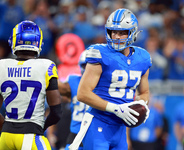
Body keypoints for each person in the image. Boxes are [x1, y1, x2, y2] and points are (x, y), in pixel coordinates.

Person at [69, 8, 151, 150]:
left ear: (133, 32)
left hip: (120, 128)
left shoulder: (143, 58)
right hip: (98, 124)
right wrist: (115, 108)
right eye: (113, 32)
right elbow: (82, 94)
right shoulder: (100, 53)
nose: (116, 36)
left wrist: (143, 104)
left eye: (121, 32)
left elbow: (144, 92)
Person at [0, 20, 62, 150]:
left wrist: (7, 127)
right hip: (30, 136)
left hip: (5, 137)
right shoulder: (46, 65)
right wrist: (39, 126)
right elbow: (56, 113)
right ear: (38, 43)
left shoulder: (2, 65)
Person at [58, 50, 89, 150]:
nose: (88, 69)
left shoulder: (105, 84)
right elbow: (57, 89)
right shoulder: (72, 81)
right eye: (85, 65)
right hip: (76, 132)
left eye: (92, 65)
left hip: (95, 134)